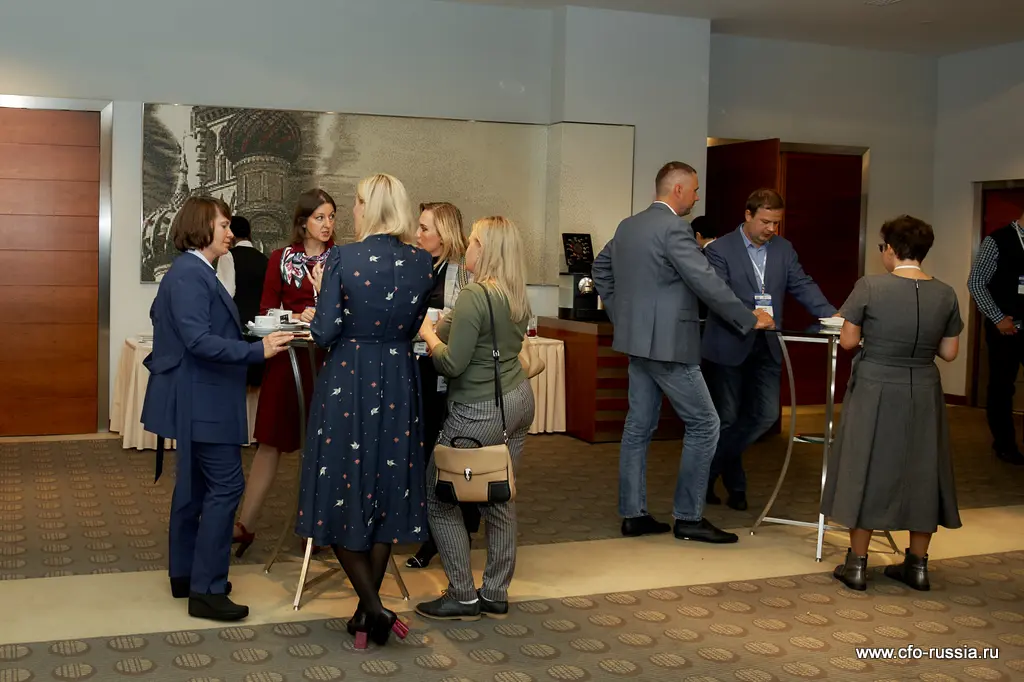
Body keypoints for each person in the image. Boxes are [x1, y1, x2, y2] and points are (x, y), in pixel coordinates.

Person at [591, 161, 774, 545]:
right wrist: (748, 317)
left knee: (638, 428)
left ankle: (633, 514)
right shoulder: (675, 228)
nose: (696, 196)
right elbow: (704, 281)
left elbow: (600, 267)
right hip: (670, 346)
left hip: (637, 343)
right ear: (677, 190)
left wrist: (622, 312)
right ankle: (689, 518)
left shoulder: (629, 226)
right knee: (706, 424)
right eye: (694, 189)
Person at [296, 173, 432, 647]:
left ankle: (372, 609)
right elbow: (414, 326)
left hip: (350, 381)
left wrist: (320, 294)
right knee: (387, 488)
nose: (351, 211)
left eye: (355, 202)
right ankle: (368, 613)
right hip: (398, 379)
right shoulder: (422, 262)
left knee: (337, 484)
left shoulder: (343, 258)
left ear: (369, 207)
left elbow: (324, 332)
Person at [141, 196, 291, 621]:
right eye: (223, 225)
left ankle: (186, 574)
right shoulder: (191, 274)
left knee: (193, 488)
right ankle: (206, 589)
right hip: (204, 399)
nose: (230, 232)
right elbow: (199, 341)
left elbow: (171, 321)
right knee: (225, 488)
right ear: (201, 227)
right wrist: (257, 350)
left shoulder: (189, 271)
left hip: (199, 396)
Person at [823, 215, 963, 592]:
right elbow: (949, 352)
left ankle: (856, 564)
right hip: (924, 386)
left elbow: (848, 341)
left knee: (866, 466)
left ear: (890, 249)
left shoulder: (869, 286)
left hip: (876, 385)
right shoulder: (945, 293)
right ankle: (916, 566)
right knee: (924, 469)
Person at [414, 216, 536, 622]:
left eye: (473, 241)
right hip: (517, 401)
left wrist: (428, 334)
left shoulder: (475, 295)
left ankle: (463, 595)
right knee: (498, 494)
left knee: (438, 495)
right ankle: (495, 592)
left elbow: (451, 364)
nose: (467, 246)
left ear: (485, 249)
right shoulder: (515, 294)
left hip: (479, 409)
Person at [702, 189, 837, 511]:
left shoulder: (783, 249)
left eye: (776, 223)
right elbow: (718, 295)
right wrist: (749, 317)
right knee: (727, 419)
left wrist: (832, 316)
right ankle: (736, 487)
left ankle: (706, 471)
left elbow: (802, 284)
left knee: (765, 415)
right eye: (765, 221)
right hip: (729, 344)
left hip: (769, 344)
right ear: (747, 215)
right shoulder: (719, 250)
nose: (771, 229)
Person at [233, 190, 336, 555]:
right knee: (269, 443)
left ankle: (315, 527)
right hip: (286, 360)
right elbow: (265, 311)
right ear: (302, 222)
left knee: (321, 449)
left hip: (326, 363)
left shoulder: (340, 260)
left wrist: (324, 308)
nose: (327, 224)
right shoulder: (280, 258)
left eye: (332, 217)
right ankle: (245, 524)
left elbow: (348, 313)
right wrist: (295, 315)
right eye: (320, 217)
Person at [405, 201, 482, 570]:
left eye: (424, 228)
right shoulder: (421, 265)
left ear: (445, 233)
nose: (417, 234)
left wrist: (435, 323)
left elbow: (468, 317)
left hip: (450, 372)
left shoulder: (464, 270)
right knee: (426, 451)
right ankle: (434, 531)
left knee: (450, 452)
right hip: (421, 368)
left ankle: (450, 534)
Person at [966, 207, 1024, 465]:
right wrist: (998, 317)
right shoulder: (997, 240)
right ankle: (1005, 445)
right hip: (1005, 328)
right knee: (1002, 387)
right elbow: (976, 282)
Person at [216, 215, 269, 388]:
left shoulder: (228, 256)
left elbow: (226, 292)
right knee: (257, 385)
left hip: (236, 329)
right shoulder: (264, 259)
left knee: (237, 384)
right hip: (260, 329)